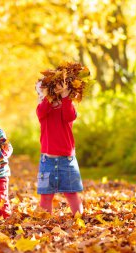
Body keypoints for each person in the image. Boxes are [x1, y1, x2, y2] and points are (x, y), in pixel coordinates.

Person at [35, 80, 84, 215]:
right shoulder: (42, 108)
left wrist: (65, 96)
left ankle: (79, 219)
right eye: (40, 92)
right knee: (46, 195)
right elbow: (42, 112)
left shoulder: (67, 106)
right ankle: (45, 223)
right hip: (47, 161)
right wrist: (46, 97)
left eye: (46, 89)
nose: (43, 94)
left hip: (67, 160)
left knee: (71, 193)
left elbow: (69, 116)